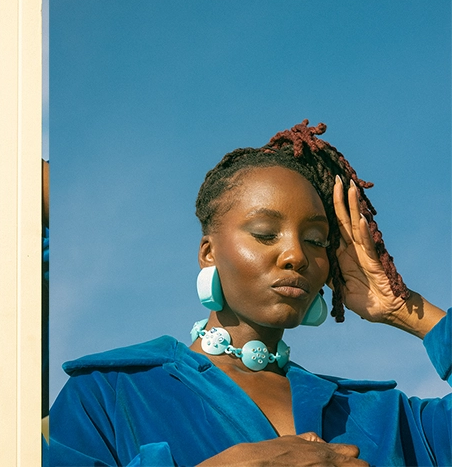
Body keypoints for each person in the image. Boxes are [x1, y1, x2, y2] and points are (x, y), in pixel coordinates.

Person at [49, 120, 450, 466]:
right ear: (208, 252)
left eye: (315, 239)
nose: (296, 255)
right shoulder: (110, 394)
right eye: (264, 234)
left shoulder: (383, 416)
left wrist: (403, 309)